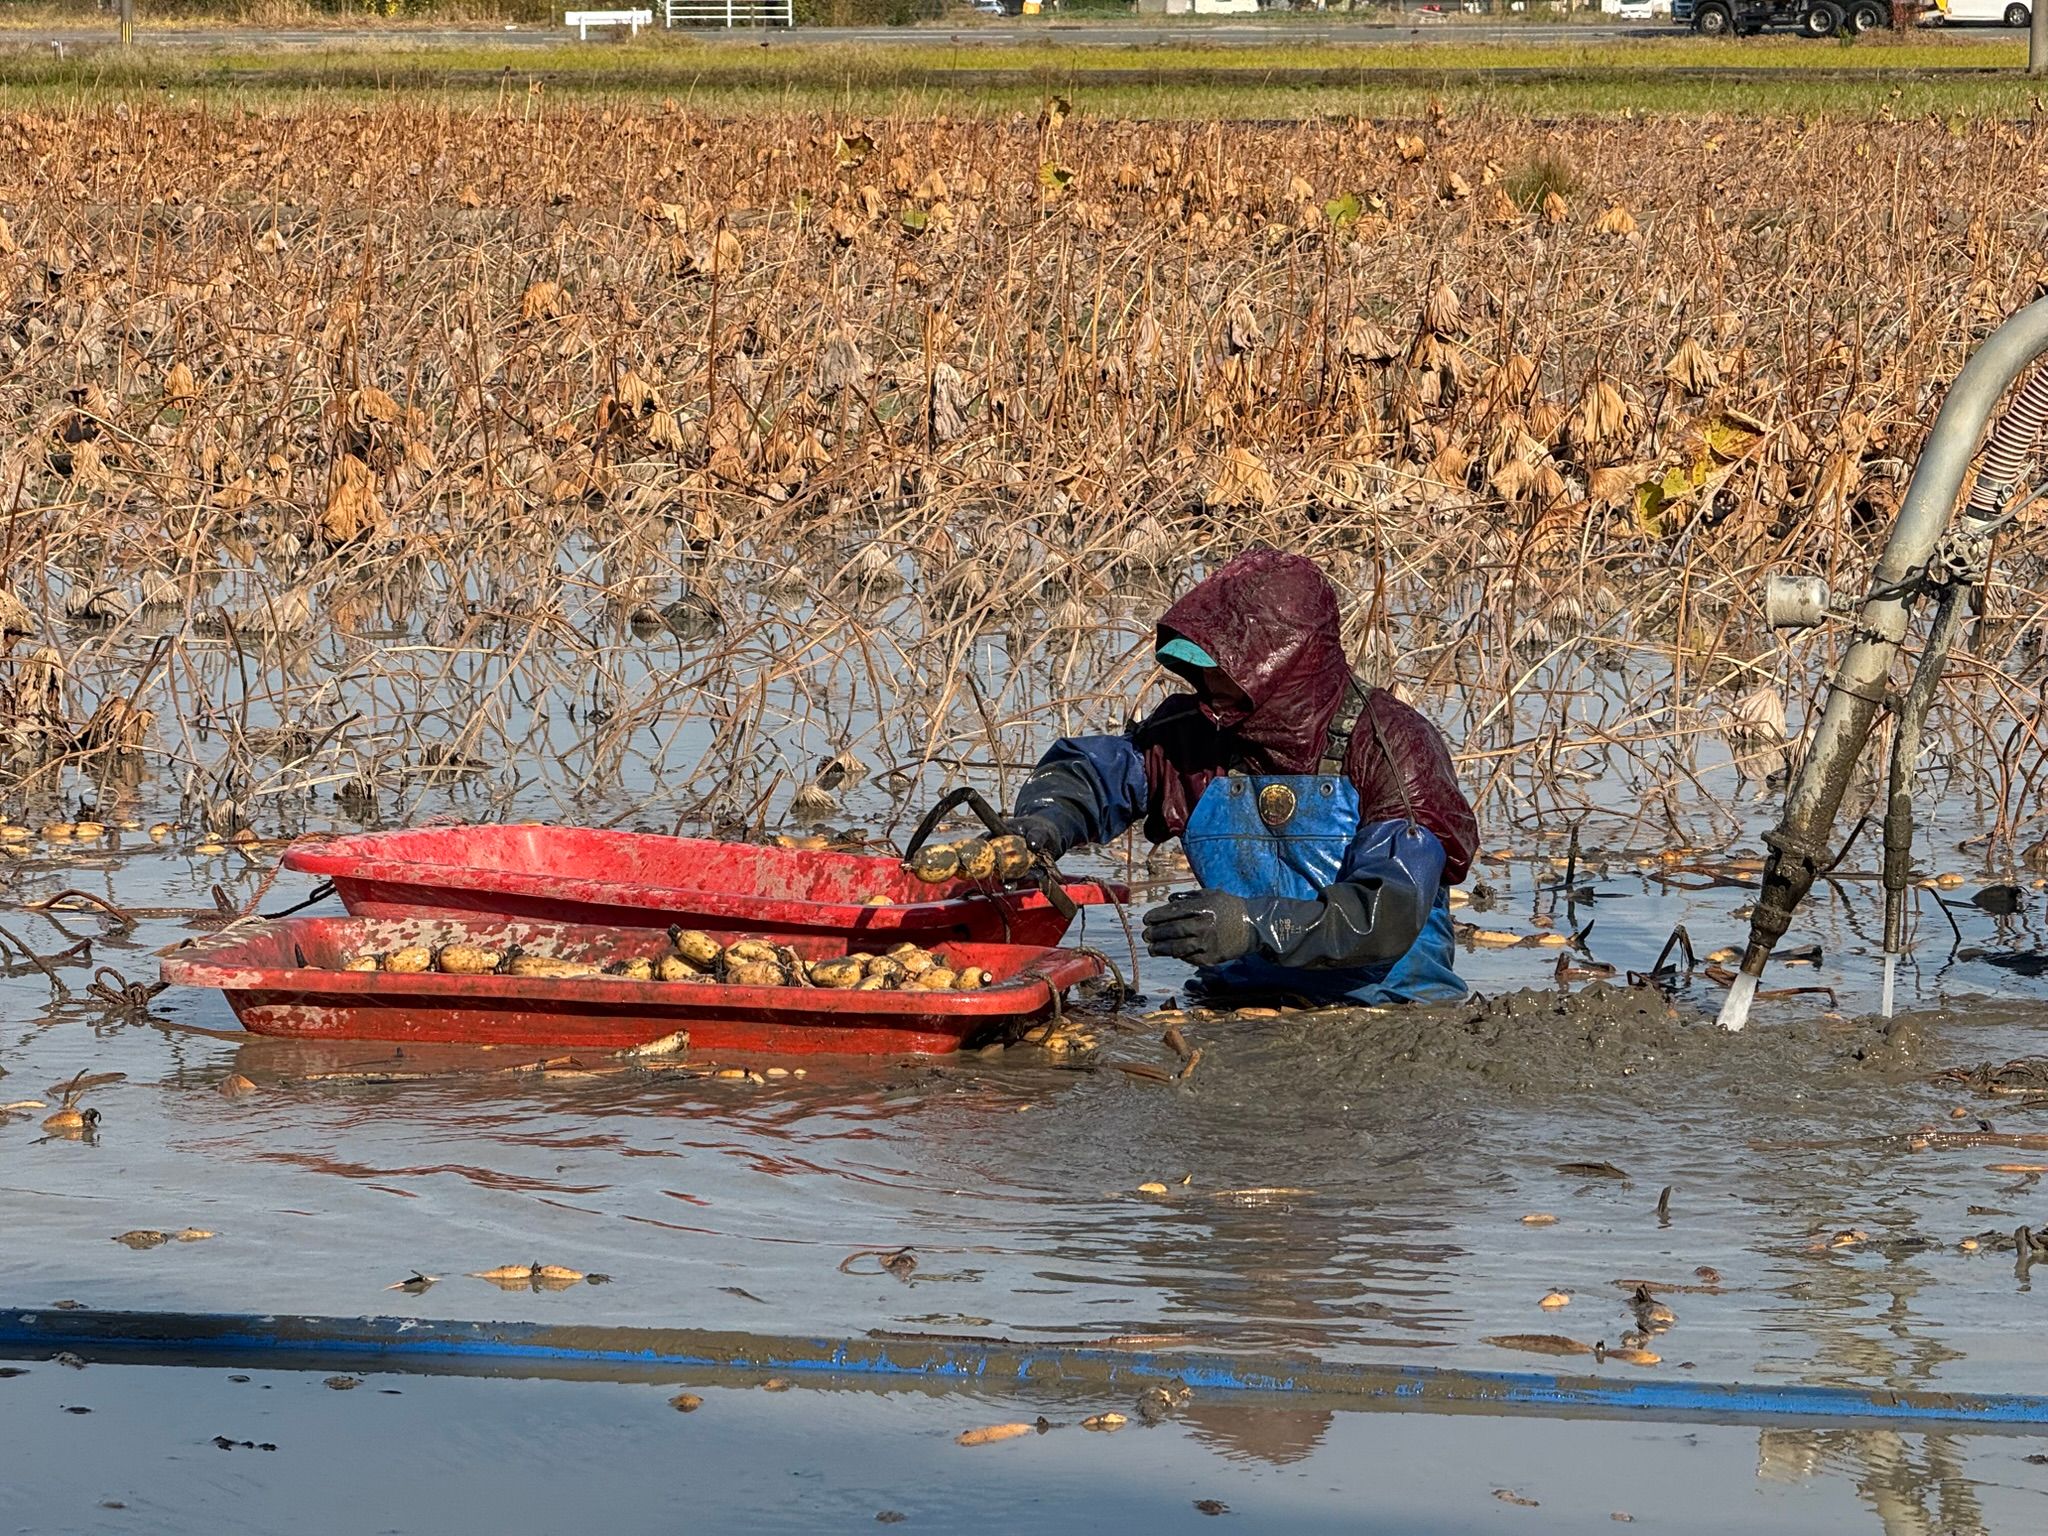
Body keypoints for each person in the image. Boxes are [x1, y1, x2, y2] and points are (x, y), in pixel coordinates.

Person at [1004, 549, 1478, 1005]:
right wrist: (1045, 823)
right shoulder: (1197, 731)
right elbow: (1099, 774)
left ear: (1287, 665)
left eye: (1226, 669)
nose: (1209, 684)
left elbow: (1391, 910)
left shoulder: (1392, 744)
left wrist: (1252, 926)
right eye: (1206, 666)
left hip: (1389, 1005)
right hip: (1237, 999)